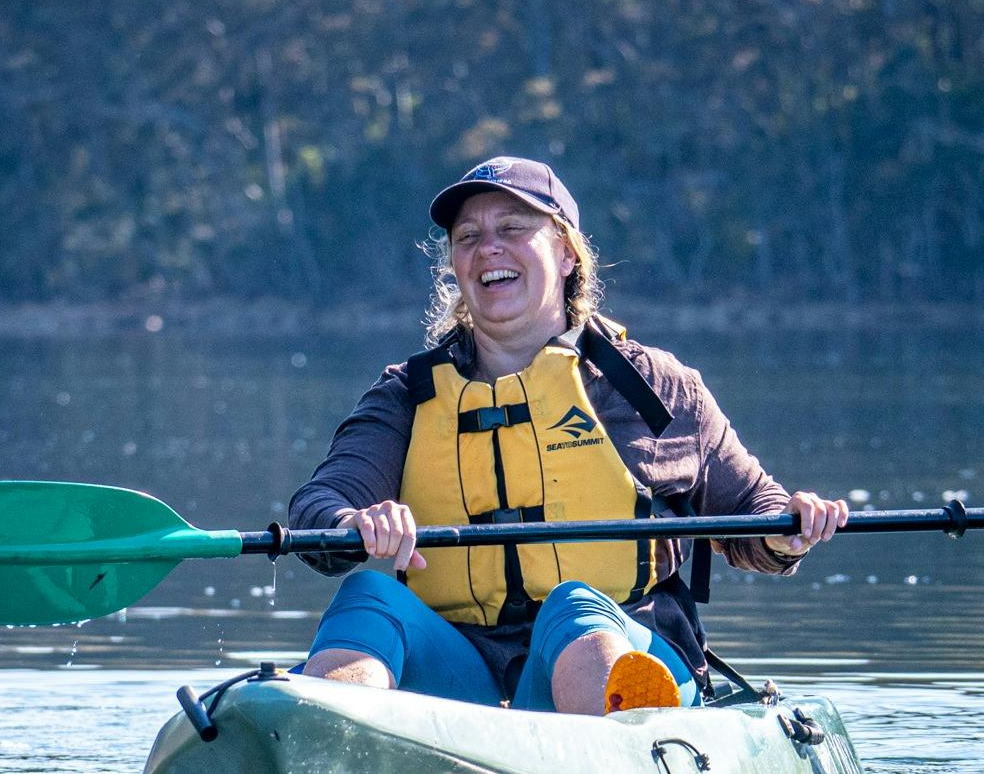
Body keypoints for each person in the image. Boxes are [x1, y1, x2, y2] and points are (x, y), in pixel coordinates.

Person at [286, 155, 848, 715]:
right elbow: (320, 502)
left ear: (566, 251)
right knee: (368, 598)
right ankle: (328, 746)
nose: (488, 249)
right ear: (454, 264)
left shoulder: (654, 388)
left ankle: (617, 752)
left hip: (632, 649)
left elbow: (754, 507)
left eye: (512, 229)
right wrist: (351, 524)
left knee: (573, 605)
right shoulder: (406, 397)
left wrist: (787, 529)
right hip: (466, 683)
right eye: (468, 237)